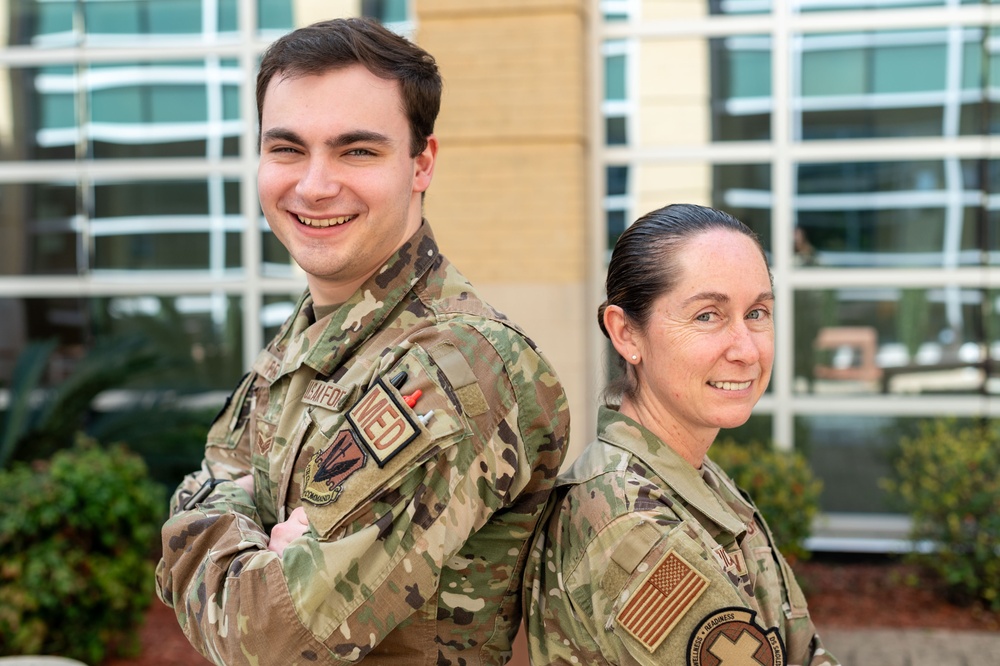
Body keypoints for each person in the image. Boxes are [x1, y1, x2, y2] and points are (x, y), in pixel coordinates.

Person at [154, 17, 569, 665]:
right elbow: (220, 483)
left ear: (421, 162)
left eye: (357, 151)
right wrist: (241, 533)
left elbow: (265, 634)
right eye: (287, 148)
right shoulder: (306, 338)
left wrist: (204, 519)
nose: (315, 185)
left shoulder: (458, 363)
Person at [522, 204, 839, 665]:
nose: (746, 349)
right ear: (627, 333)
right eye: (708, 316)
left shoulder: (695, 478)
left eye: (757, 312)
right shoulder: (632, 526)